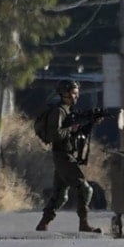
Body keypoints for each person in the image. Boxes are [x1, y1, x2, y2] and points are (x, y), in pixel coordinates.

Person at [35, 80, 102, 233]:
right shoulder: (59, 111)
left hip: (66, 155)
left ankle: (43, 224)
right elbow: (55, 134)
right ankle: (84, 224)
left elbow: (78, 135)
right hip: (62, 156)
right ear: (63, 93)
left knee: (60, 196)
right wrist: (72, 127)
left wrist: (91, 122)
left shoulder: (68, 111)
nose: (75, 96)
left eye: (77, 93)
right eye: (72, 93)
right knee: (85, 189)